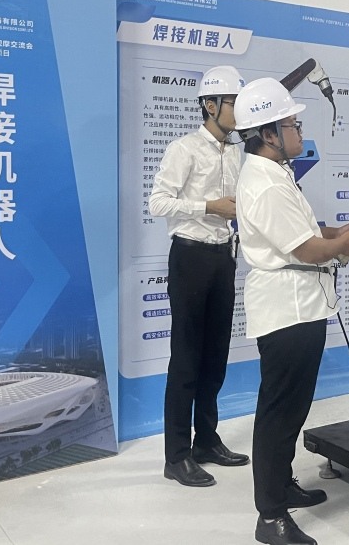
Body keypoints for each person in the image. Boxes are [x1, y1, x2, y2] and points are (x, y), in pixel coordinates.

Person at [233, 77, 349, 545]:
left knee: (292, 406)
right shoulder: (265, 183)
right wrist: (342, 246)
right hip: (286, 309)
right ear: (268, 134)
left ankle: (282, 484)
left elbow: (308, 231)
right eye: (292, 124)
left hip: (299, 305)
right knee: (278, 411)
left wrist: (339, 233)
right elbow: (307, 250)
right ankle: (270, 516)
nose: (299, 132)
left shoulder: (274, 174)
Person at [148, 65, 251, 487]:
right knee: (187, 359)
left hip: (224, 258)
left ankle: (207, 440)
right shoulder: (184, 149)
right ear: (210, 105)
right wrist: (208, 207)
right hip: (189, 258)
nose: (239, 112)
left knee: (215, 356)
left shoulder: (237, 152)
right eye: (233, 104)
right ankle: (176, 456)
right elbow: (158, 202)